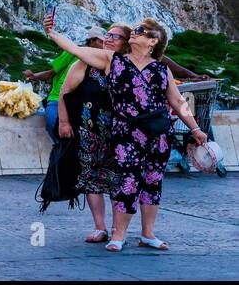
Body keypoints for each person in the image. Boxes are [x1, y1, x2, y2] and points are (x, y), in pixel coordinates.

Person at [44, 14, 208, 252]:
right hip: (126, 133)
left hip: (158, 133)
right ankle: (118, 234)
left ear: (153, 41)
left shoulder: (162, 69)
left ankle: (147, 234)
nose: (135, 31)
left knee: (153, 181)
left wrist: (195, 128)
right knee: (127, 181)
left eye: (141, 30)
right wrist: (52, 33)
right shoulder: (113, 60)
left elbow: (179, 102)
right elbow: (76, 49)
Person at [55, 24, 128, 243]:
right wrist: (64, 122)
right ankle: (100, 227)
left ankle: (118, 229)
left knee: (118, 180)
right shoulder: (83, 65)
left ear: (126, 43)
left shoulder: (127, 66)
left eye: (115, 36)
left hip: (119, 133)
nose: (108, 39)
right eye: (107, 35)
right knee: (91, 178)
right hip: (89, 131)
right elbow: (64, 92)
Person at [24, 29, 88, 143]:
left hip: (78, 103)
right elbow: (51, 72)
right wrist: (34, 76)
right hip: (57, 98)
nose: (102, 44)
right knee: (52, 122)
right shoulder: (73, 53)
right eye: (99, 41)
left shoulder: (100, 60)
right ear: (92, 40)